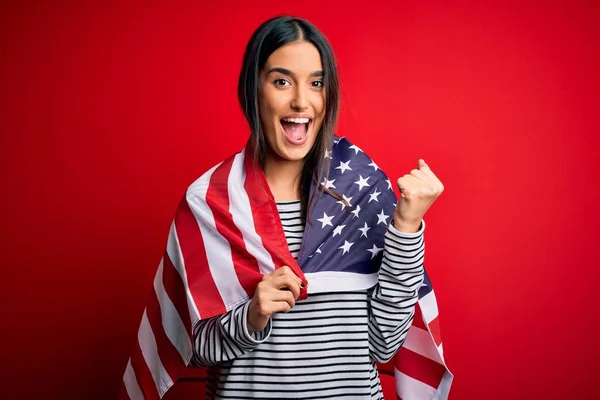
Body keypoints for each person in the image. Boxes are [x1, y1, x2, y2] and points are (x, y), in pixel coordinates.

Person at [121, 15, 446, 400]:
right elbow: (196, 348)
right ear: (254, 90)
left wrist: (407, 226)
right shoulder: (210, 203)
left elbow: (383, 345)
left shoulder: (362, 194)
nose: (300, 101)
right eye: (281, 81)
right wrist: (252, 315)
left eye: (316, 83)